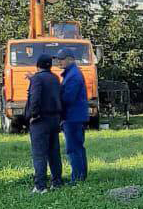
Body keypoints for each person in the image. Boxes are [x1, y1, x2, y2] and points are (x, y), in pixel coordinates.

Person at [25, 54, 63, 193]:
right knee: (54, 153)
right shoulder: (55, 78)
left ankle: (40, 186)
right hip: (54, 119)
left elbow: (35, 99)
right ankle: (57, 182)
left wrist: (33, 115)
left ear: (37, 65)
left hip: (40, 120)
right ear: (50, 65)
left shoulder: (37, 79)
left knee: (39, 154)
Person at [57, 48, 89, 184]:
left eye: (62, 59)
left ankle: (77, 178)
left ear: (70, 59)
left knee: (73, 148)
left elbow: (68, 98)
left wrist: (55, 98)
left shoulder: (74, 75)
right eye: (58, 59)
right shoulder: (71, 73)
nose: (59, 62)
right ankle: (80, 175)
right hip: (75, 116)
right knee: (78, 147)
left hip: (73, 117)